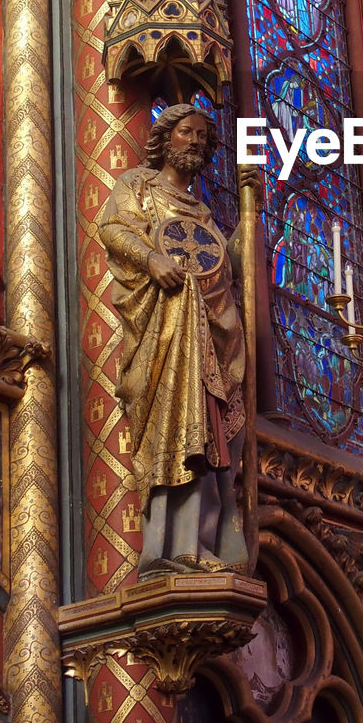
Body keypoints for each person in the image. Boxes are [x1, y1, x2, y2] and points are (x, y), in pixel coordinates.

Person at [99, 104, 256, 577]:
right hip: (165, 338)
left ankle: (203, 542)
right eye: (186, 132)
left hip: (210, 334)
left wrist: (250, 212)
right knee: (175, 428)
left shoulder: (204, 211)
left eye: (203, 137)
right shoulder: (138, 186)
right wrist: (150, 259)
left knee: (213, 434)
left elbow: (228, 269)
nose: (195, 142)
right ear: (166, 138)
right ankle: (168, 546)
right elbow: (110, 227)